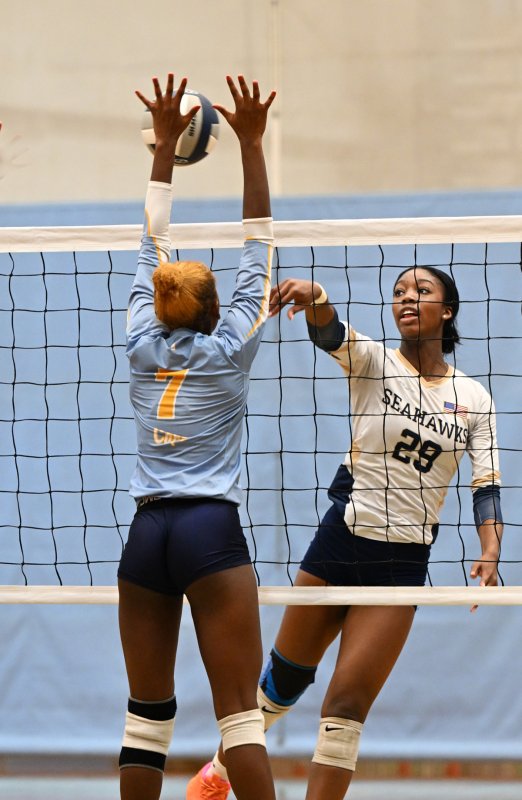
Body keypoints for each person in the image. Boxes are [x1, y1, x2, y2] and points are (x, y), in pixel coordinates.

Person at [187, 267, 503, 800]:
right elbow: (330, 331)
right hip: (339, 544)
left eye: (421, 292)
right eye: (399, 291)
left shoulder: (473, 398)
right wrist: (318, 298)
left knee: (346, 708)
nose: (407, 299)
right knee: (281, 684)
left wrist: (490, 548)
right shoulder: (375, 362)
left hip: (401, 566)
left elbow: (486, 483)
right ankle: (217, 776)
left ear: (447, 310)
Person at [117, 72, 277, 800]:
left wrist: (160, 150)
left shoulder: (140, 340)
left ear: (159, 306)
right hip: (210, 531)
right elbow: (258, 243)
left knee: (146, 719)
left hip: (146, 536)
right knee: (241, 717)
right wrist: (251, 143)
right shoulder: (231, 345)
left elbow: (151, 240)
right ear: (217, 311)